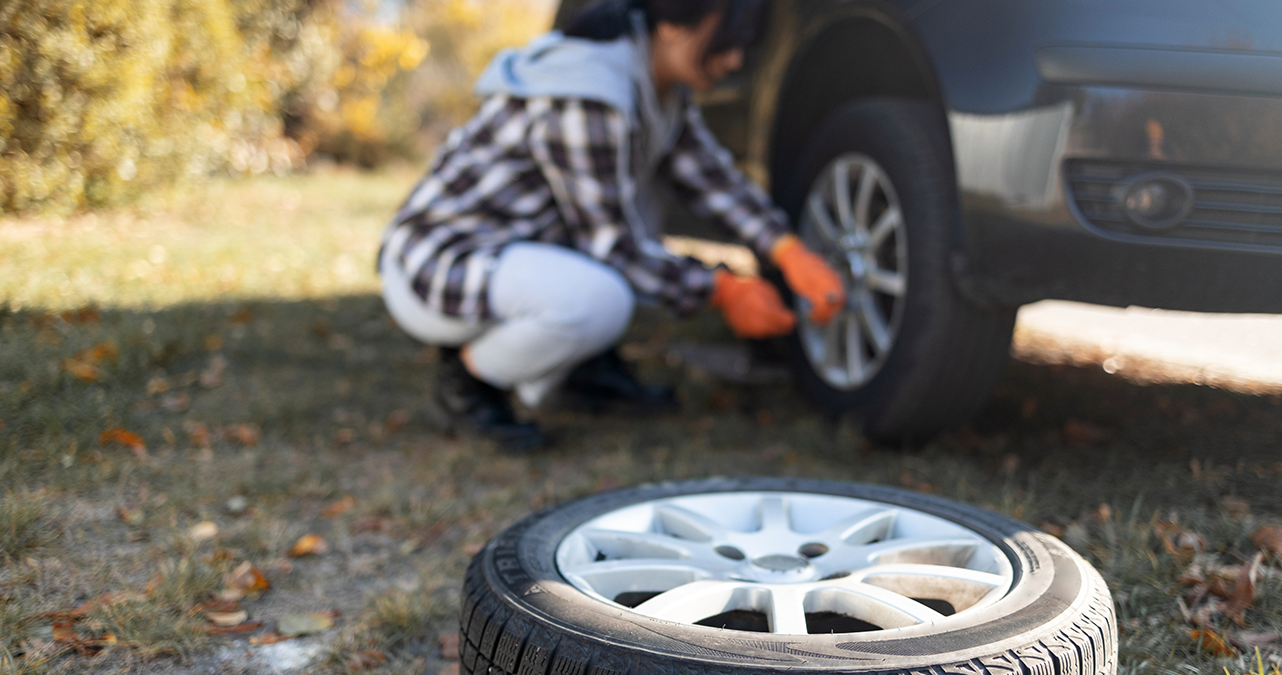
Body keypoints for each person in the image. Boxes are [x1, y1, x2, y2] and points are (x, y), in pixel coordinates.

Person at [378, 0, 846, 449]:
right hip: (442, 262)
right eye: (725, 41)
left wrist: (787, 249)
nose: (734, 60)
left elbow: (709, 178)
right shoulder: (588, 91)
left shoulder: (655, 84)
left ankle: (584, 370)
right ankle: (467, 382)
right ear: (672, 25)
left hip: (509, 255)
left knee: (631, 211)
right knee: (601, 299)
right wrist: (720, 290)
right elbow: (613, 249)